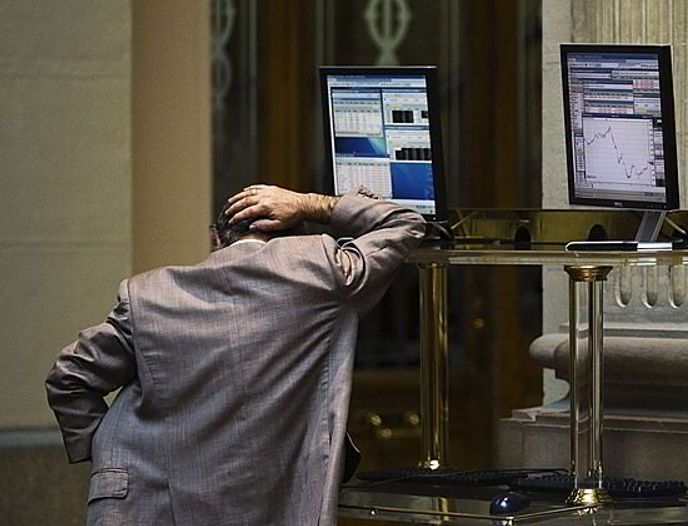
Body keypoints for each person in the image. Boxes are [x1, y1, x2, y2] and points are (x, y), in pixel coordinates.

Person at [45, 184, 425, 526]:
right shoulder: (323, 271)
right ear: (293, 236)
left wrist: (113, 454)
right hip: (272, 501)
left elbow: (69, 378)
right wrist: (310, 203)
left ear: (215, 238)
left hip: (148, 504)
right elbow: (404, 222)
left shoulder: (147, 295)